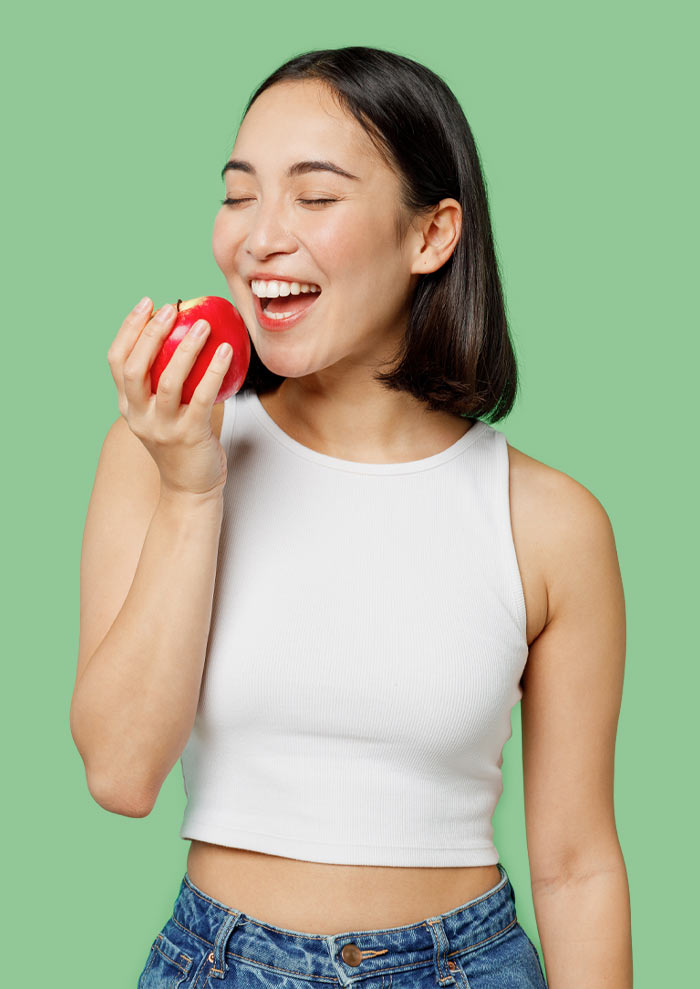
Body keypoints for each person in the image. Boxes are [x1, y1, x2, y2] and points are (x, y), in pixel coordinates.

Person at [70, 46, 632, 989]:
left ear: (432, 235)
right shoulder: (158, 450)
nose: (259, 239)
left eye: (315, 197)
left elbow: (577, 867)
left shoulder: (550, 521)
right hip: (220, 964)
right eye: (240, 194)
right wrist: (192, 486)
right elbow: (122, 774)